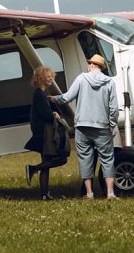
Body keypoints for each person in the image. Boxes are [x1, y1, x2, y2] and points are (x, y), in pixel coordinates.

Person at [51, 53, 119, 199]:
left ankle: (89, 193)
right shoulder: (109, 82)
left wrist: (53, 99)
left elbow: (67, 97)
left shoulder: (81, 78)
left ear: (93, 65)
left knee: (85, 158)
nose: (88, 66)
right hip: (102, 126)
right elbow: (113, 108)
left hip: (82, 126)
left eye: (89, 63)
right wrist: (112, 124)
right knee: (107, 159)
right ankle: (110, 193)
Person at [24, 66, 69, 200]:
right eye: (48, 76)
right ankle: (32, 169)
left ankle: (44, 194)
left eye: (51, 76)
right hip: (44, 133)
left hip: (42, 132)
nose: (51, 79)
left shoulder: (41, 93)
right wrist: (54, 114)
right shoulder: (39, 94)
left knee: (46, 163)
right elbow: (46, 115)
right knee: (62, 159)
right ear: (41, 78)